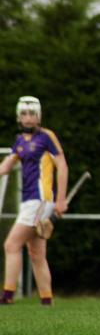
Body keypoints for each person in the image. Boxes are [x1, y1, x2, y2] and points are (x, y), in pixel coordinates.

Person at [0, 97, 68, 305]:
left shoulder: (47, 137)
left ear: (38, 115)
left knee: (11, 244)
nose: (28, 118)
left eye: (32, 113)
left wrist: (60, 199)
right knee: (37, 252)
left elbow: (62, 166)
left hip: (40, 200)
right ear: (19, 116)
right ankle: (47, 301)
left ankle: (7, 296)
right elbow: (5, 167)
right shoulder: (20, 141)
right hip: (29, 201)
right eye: (24, 114)